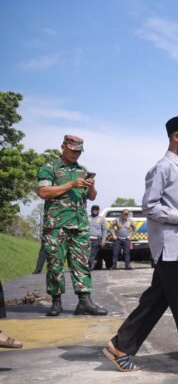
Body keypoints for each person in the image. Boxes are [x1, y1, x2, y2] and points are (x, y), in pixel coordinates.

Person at [103, 115, 178, 372]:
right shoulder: (163, 168)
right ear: (176, 136)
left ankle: (122, 345)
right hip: (169, 247)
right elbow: (150, 207)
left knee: (159, 300)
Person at [37, 135, 107, 316]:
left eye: (79, 151)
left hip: (79, 225)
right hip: (57, 225)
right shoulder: (49, 168)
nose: (76, 154)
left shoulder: (82, 170)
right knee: (55, 264)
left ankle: (84, 302)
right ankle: (56, 302)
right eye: (73, 150)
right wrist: (71, 184)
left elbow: (91, 197)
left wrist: (91, 186)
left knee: (82, 263)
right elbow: (44, 192)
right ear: (63, 147)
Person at [87, 204, 107, 271]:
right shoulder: (87, 218)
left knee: (93, 253)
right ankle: (90, 264)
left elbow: (104, 230)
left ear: (98, 210)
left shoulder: (101, 219)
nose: (95, 211)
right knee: (87, 253)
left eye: (96, 210)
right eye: (94, 209)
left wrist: (103, 240)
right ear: (91, 210)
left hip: (96, 239)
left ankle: (91, 266)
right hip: (87, 239)